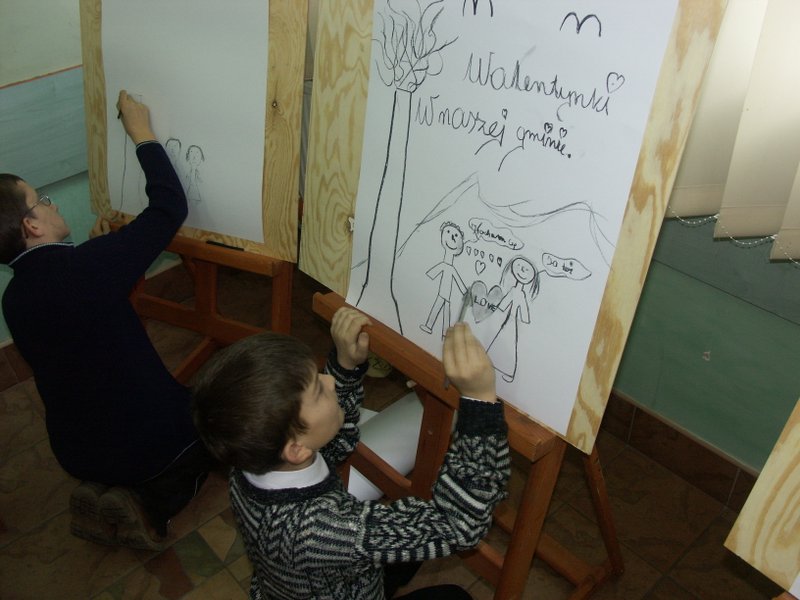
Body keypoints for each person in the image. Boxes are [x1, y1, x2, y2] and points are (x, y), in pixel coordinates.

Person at [0, 90, 213, 550]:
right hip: (148, 445)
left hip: (75, 452)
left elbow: (77, 308)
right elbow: (168, 207)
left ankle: (103, 488)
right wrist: (141, 133)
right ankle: (149, 504)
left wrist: (104, 254)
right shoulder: (90, 268)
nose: (54, 205)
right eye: (43, 201)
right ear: (32, 226)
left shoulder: (13, 299)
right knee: (218, 430)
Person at [191, 306, 510, 599]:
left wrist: (344, 366)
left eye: (320, 375)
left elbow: (332, 444)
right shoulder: (322, 530)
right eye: (319, 390)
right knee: (454, 597)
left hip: (303, 582)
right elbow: (459, 526)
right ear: (296, 449)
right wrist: (479, 403)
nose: (329, 382)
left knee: (407, 544)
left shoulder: (251, 459)